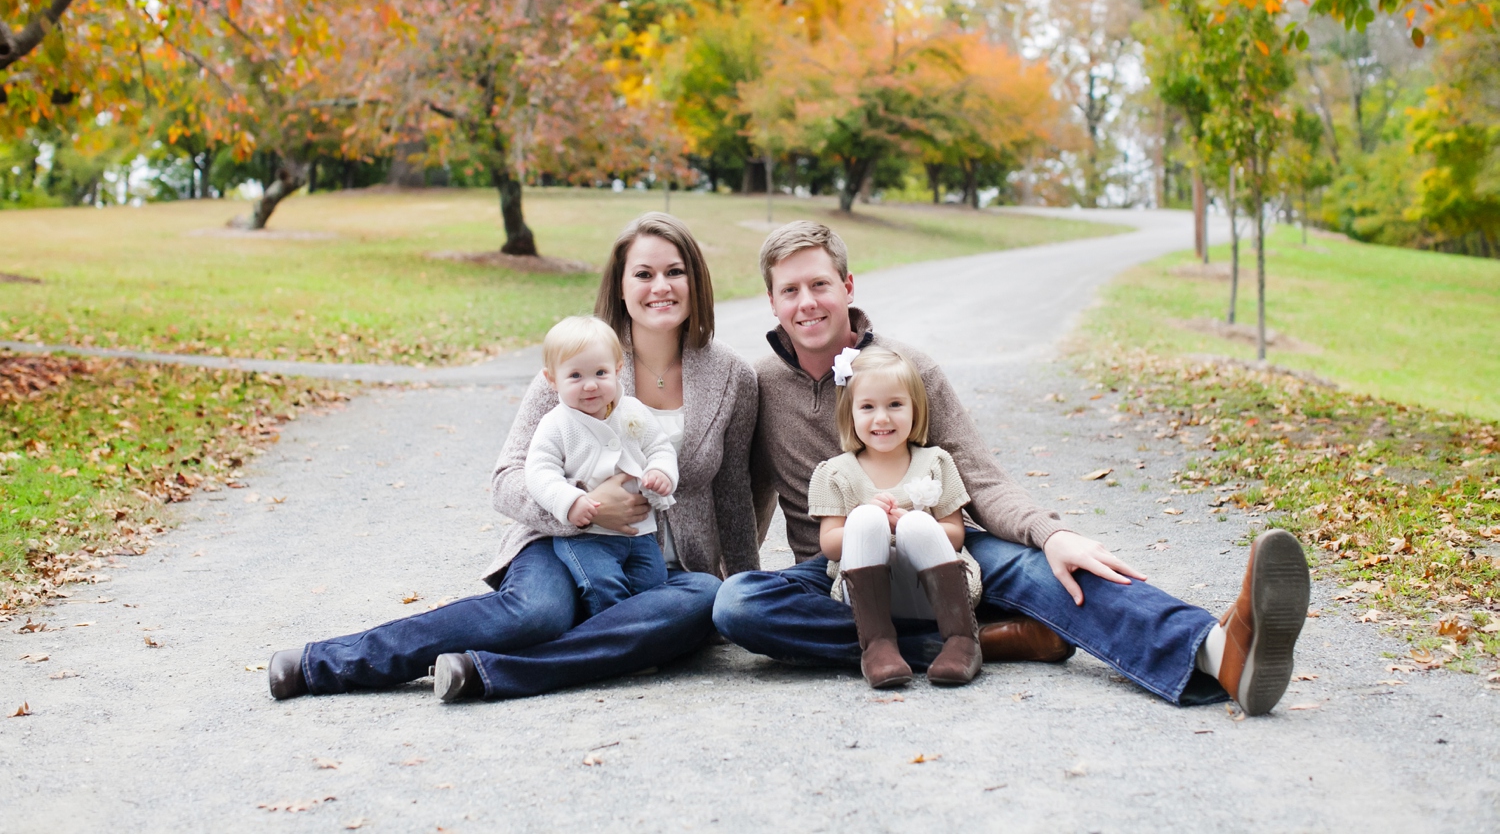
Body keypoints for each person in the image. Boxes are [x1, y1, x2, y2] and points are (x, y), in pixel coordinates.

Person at [713, 221, 1310, 716]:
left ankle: (1214, 650)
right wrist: (727, 571)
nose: (806, 302)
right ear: (772, 301)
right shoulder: (759, 385)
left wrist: (1051, 533)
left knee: (1052, 571)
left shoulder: (907, 371)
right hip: (841, 570)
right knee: (738, 605)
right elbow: (745, 495)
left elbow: (979, 477)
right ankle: (983, 640)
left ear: (846, 285)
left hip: (941, 545)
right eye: (789, 290)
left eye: (819, 284)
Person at [267, 213, 760, 703]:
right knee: (537, 614)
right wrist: (583, 505)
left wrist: (745, 601)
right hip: (559, 545)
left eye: (675, 272)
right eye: (644, 274)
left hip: (663, 574)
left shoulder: (731, 376)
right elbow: (507, 479)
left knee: (702, 595)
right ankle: (321, 664)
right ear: (621, 286)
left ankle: (488, 671)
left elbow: (734, 495)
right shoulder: (579, 364)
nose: (661, 287)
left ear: (696, 279)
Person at [811, 345, 983, 689]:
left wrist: (905, 522)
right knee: (863, 520)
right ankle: (878, 645)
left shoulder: (935, 462)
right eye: (868, 407)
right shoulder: (835, 473)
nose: (882, 418)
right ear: (850, 413)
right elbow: (830, 546)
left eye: (895, 405)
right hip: (868, 600)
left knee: (917, 522)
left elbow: (955, 533)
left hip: (933, 594)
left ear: (914, 409)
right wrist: (870, 516)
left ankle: (962, 639)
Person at [527, 315, 678, 617]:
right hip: (588, 536)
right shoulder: (556, 424)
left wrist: (661, 471)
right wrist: (570, 502)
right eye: (575, 376)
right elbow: (539, 472)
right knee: (603, 588)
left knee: (653, 586)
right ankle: (615, 645)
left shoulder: (632, 410)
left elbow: (659, 447)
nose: (591, 385)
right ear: (552, 379)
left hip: (641, 533)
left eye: (600, 372)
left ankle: (640, 639)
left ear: (618, 370)